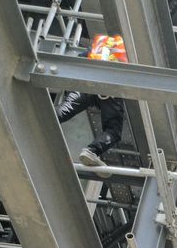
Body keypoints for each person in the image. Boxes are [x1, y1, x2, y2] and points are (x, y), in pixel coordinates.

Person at [55, 32, 128, 168]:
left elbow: (80, 59)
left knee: (65, 109)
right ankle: (91, 151)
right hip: (109, 90)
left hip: (86, 81)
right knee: (113, 131)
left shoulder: (103, 44)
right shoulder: (130, 53)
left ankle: (43, 118)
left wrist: (71, 89)